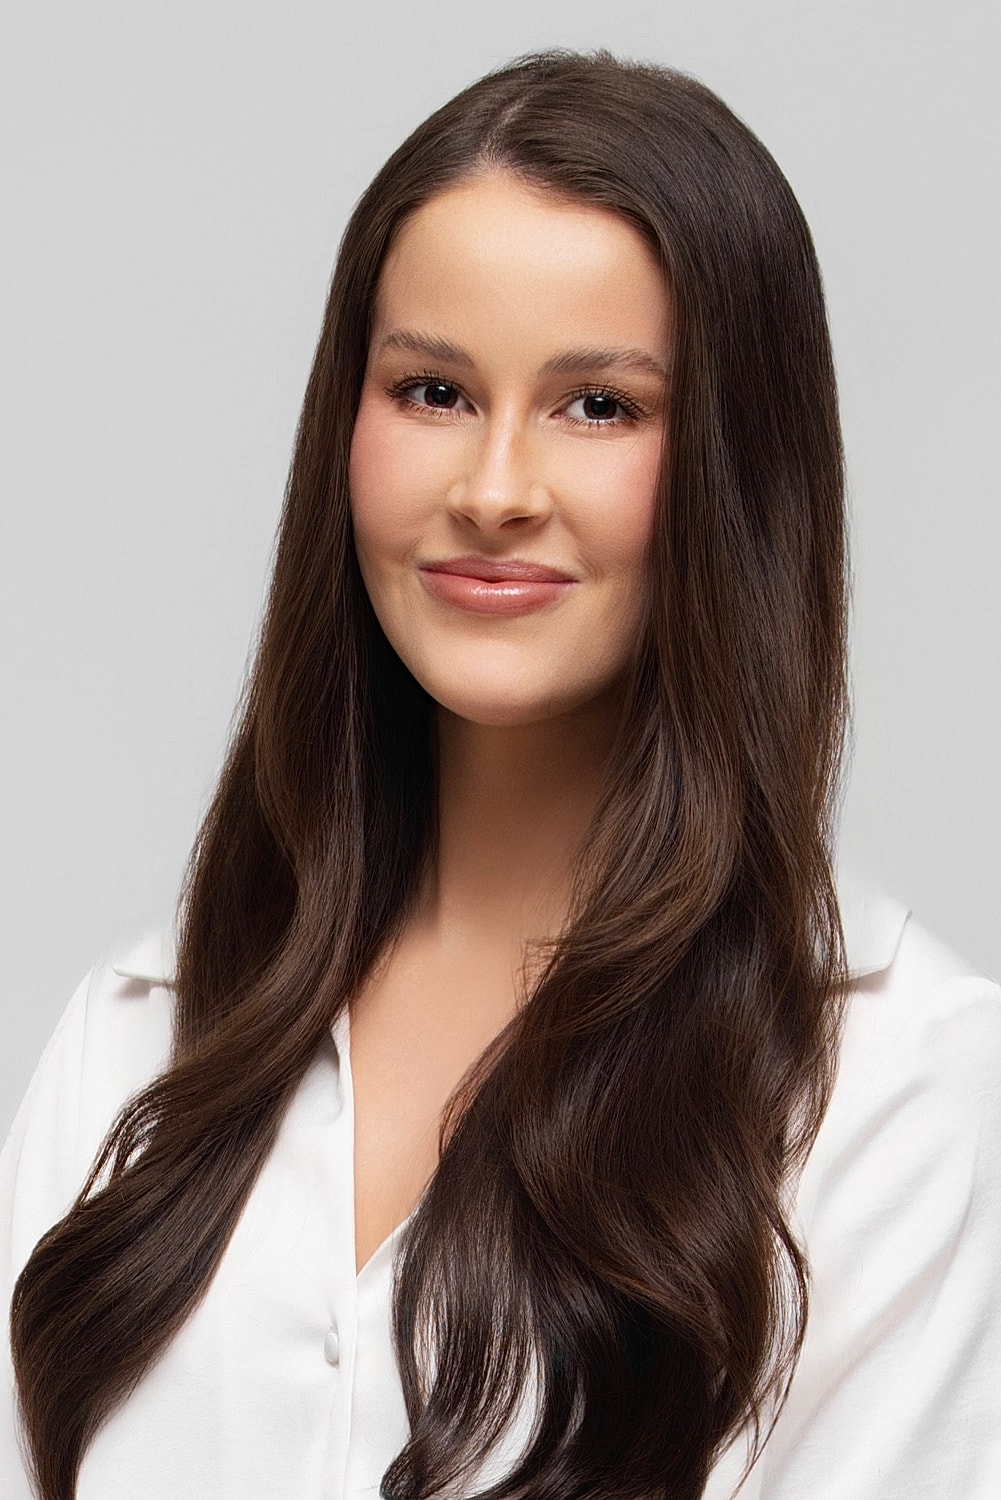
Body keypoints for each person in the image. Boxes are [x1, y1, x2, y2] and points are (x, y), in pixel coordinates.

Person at [2, 49, 999, 1500]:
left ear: (735, 467)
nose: (492, 488)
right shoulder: (137, 1043)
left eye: (598, 406)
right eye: (431, 391)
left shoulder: (898, 1093)